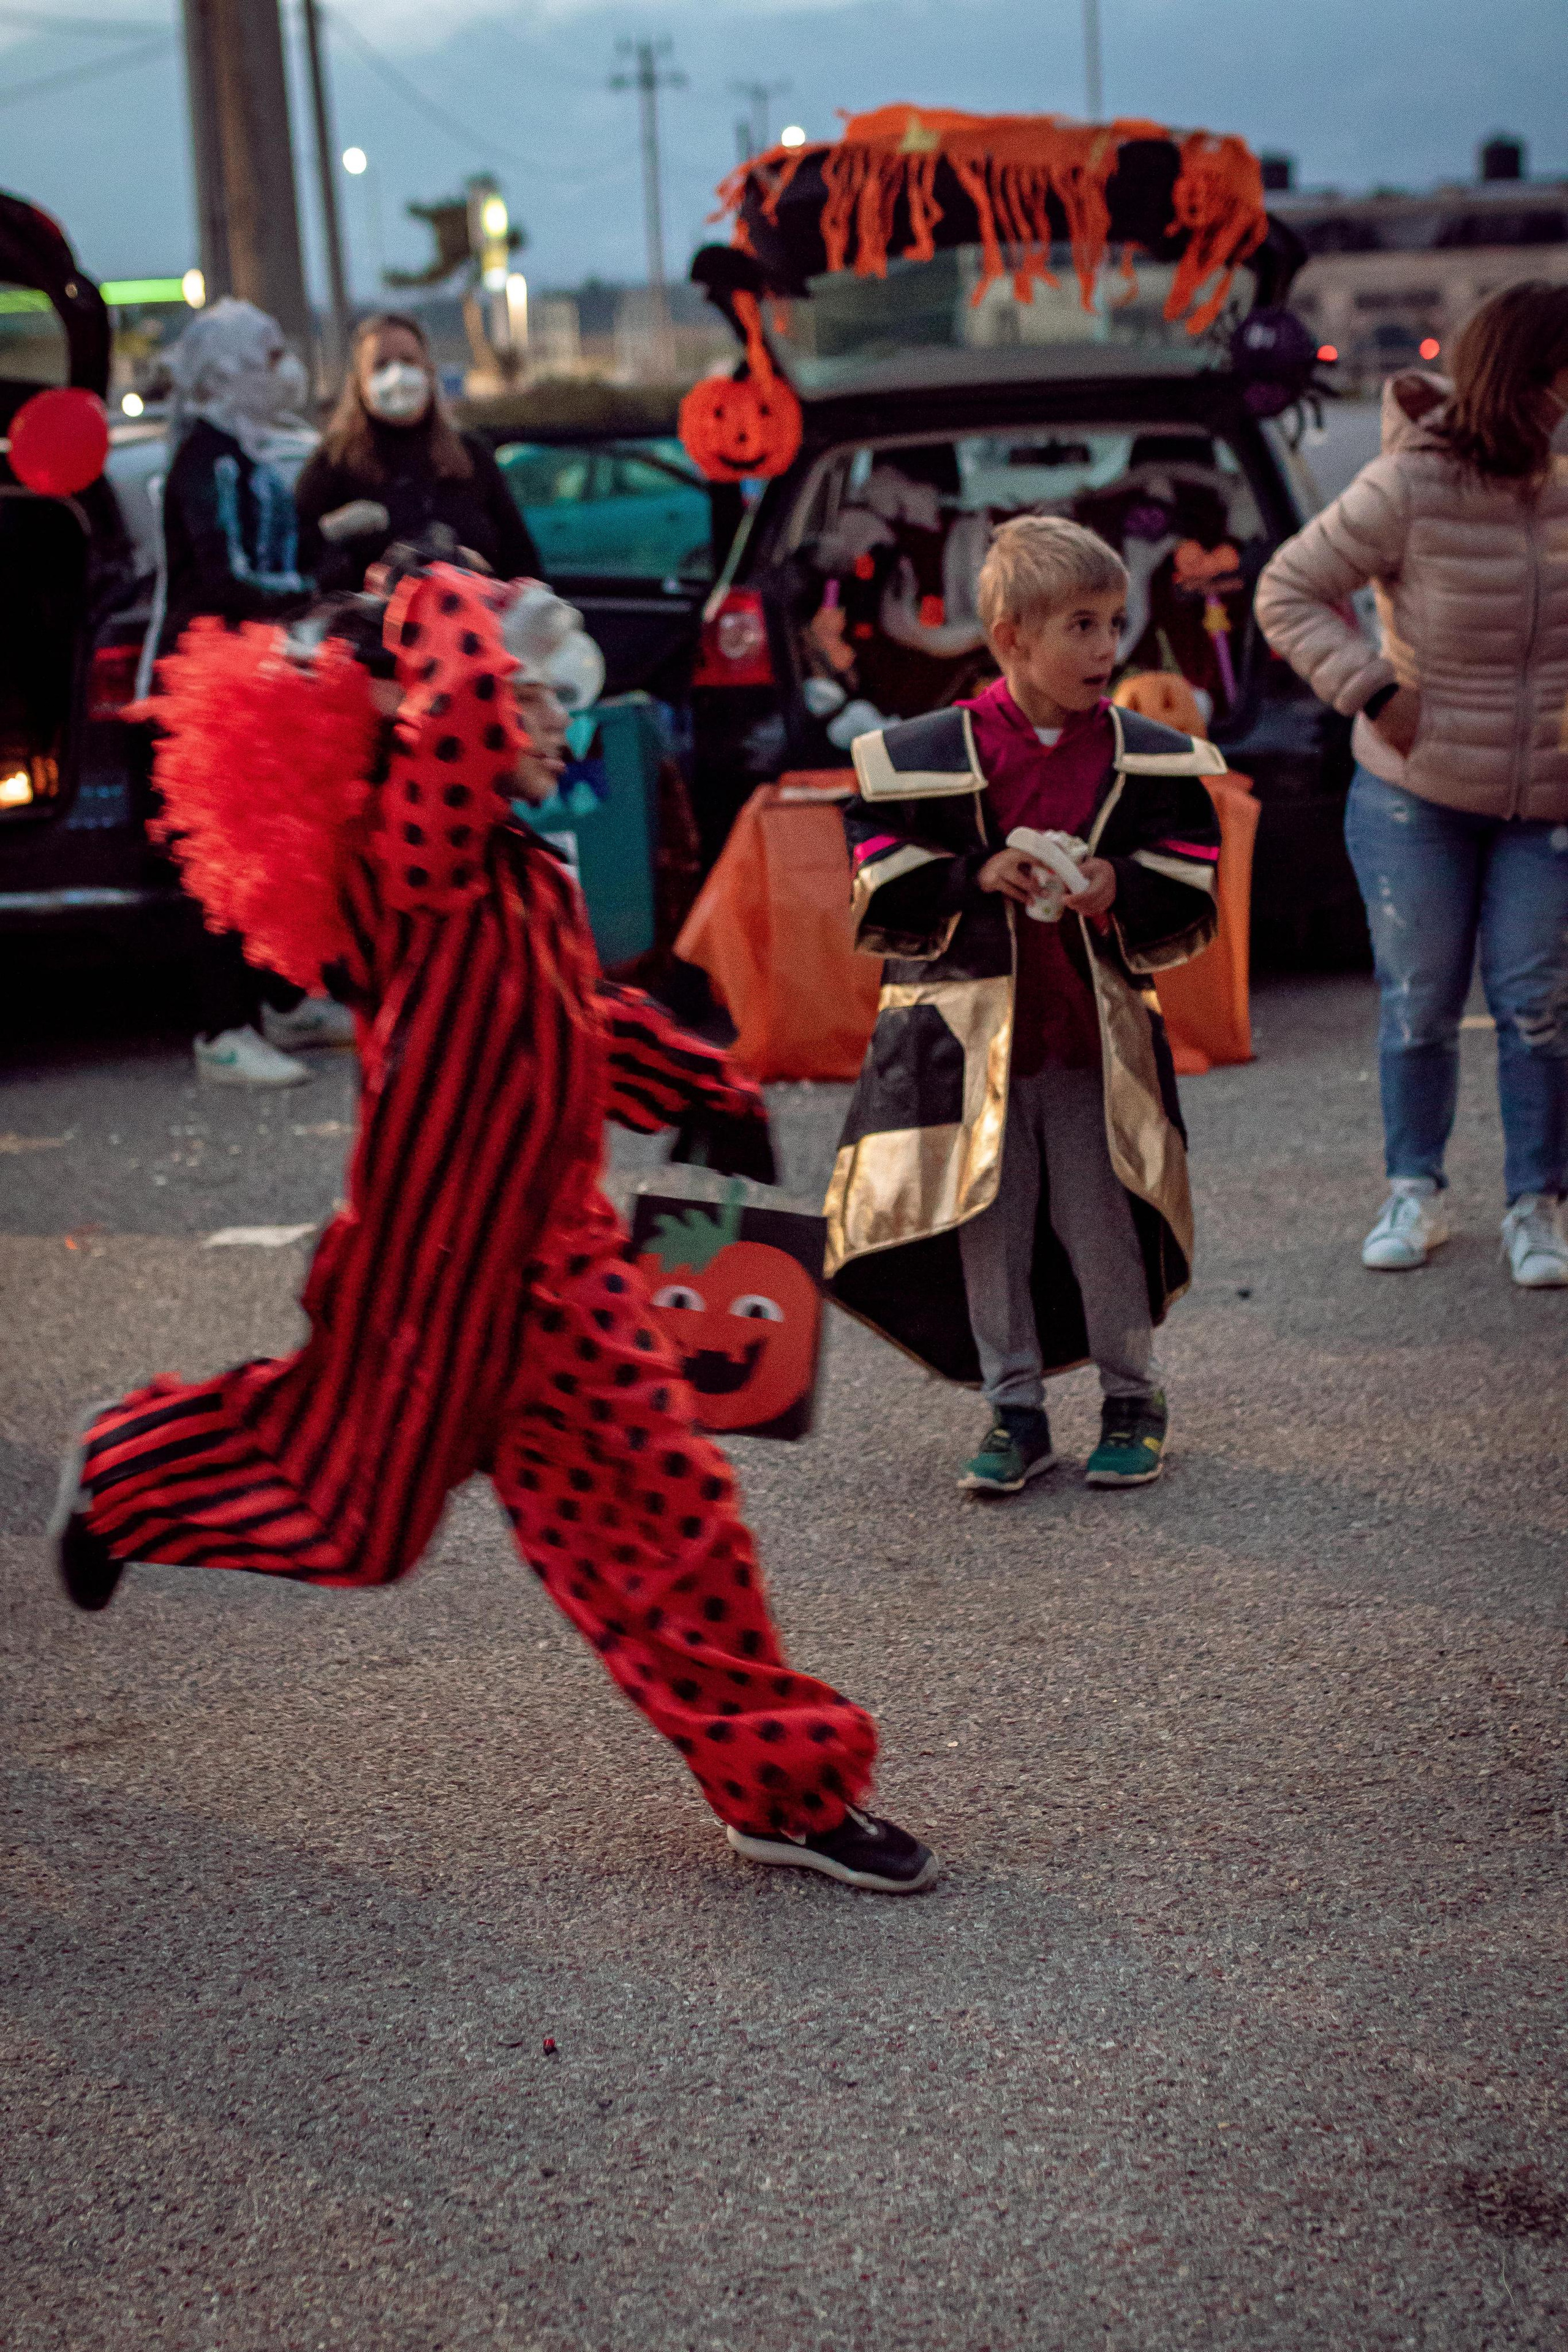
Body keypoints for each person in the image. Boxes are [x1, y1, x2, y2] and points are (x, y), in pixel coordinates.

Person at [50, 556, 936, 1898]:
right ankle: (125, 1472)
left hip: (562, 1283)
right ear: (416, 720)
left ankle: (781, 1786)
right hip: (420, 1297)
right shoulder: (414, 860)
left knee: (672, 1521)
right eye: (525, 700)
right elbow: (459, 699)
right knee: (356, 1524)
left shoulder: (519, 878)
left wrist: (705, 1091)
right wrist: (443, 591)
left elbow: (567, 1022)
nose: (549, 726)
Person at [824, 515, 1224, 1495]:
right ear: (1010, 639)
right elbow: (877, 861)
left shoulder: (1144, 755)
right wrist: (976, 870)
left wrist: (1117, 884)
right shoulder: (934, 752)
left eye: (1114, 623)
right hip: (969, 1051)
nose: (1106, 649)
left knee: (1104, 1219)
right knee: (985, 1225)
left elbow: (1191, 864)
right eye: (1080, 627)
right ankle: (1014, 1410)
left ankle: (1133, 1394)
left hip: (1092, 1043)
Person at [1255, 282, 1568, 1285]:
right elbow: (1288, 588)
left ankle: (1539, 1205)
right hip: (1415, 794)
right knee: (1421, 1002)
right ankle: (1414, 1191)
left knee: (1536, 1004)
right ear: (1525, 380)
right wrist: (1371, 688)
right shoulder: (1409, 484)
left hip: (1549, 802)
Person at [149, 296, 353, 1087]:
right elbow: (224, 578)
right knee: (222, 858)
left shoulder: (247, 454)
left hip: (256, 677)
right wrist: (310, 583)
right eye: (268, 357)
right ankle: (222, 1027)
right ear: (230, 369)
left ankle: (283, 999)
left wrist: (325, 545)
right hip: (210, 686)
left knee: (275, 850)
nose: (285, 371)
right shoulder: (209, 461)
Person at [294, 313, 541, 596]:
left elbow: (521, 560)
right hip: (378, 634)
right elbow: (293, 557)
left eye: (409, 361)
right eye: (380, 365)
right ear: (359, 384)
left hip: (477, 629)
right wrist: (331, 532)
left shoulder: (471, 456)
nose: (396, 374)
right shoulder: (333, 464)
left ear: (429, 372)